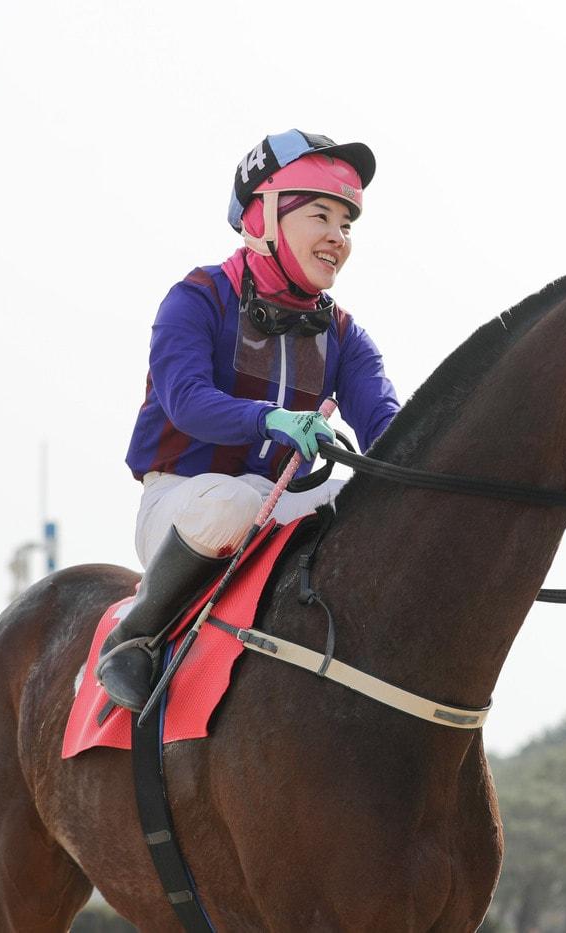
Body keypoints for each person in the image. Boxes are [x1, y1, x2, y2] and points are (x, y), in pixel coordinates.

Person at [98, 129, 400, 711]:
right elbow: (185, 400)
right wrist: (272, 420)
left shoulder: (344, 334)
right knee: (232, 503)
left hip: (276, 505)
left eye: (347, 224)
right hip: (184, 505)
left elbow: (386, 426)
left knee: (371, 511)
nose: (338, 238)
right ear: (261, 217)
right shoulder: (197, 298)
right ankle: (131, 638)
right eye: (321, 216)